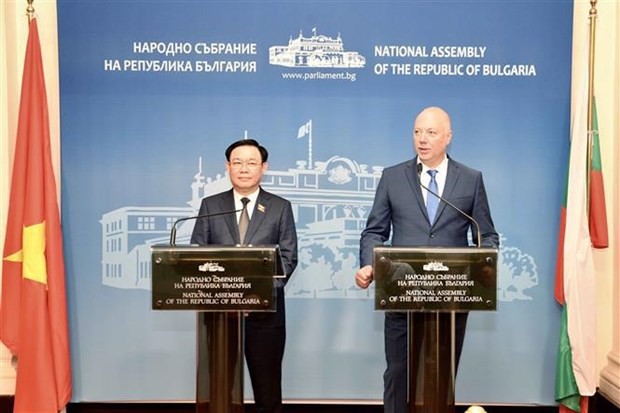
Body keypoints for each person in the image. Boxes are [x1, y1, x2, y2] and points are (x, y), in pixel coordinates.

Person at [355, 106, 499, 413]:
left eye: (431, 132)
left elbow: (486, 234)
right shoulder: (394, 177)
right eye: (417, 131)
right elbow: (374, 231)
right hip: (400, 291)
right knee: (397, 372)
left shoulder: (471, 179)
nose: (422, 139)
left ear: (448, 137)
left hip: (451, 295)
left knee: (441, 373)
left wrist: (485, 266)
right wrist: (369, 263)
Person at [191, 138, 298, 413]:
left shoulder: (279, 207)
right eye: (237, 163)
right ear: (228, 167)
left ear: (264, 167)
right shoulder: (211, 205)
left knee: (268, 390)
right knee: (220, 389)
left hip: (265, 315)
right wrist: (225, 295)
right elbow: (197, 256)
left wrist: (256, 295)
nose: (244, 169)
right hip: (219, 316)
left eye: (251, 163)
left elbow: (288, 258)